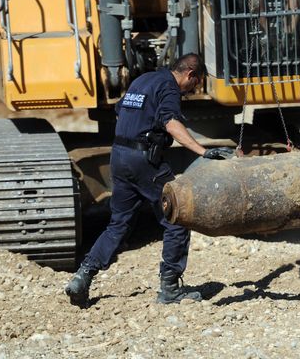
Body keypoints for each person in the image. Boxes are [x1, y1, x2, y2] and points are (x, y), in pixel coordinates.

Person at [65, 53, 234, 306]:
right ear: (190, 75)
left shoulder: (143, 80)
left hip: (119, 157)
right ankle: (170, 289)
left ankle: (83, 275)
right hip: (145, 161)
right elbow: (170, 121)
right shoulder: (169, 87)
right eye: (195, 83)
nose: (192, 90)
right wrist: (203, 151)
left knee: (118, 224)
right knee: (178, 216)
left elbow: (121, 111)